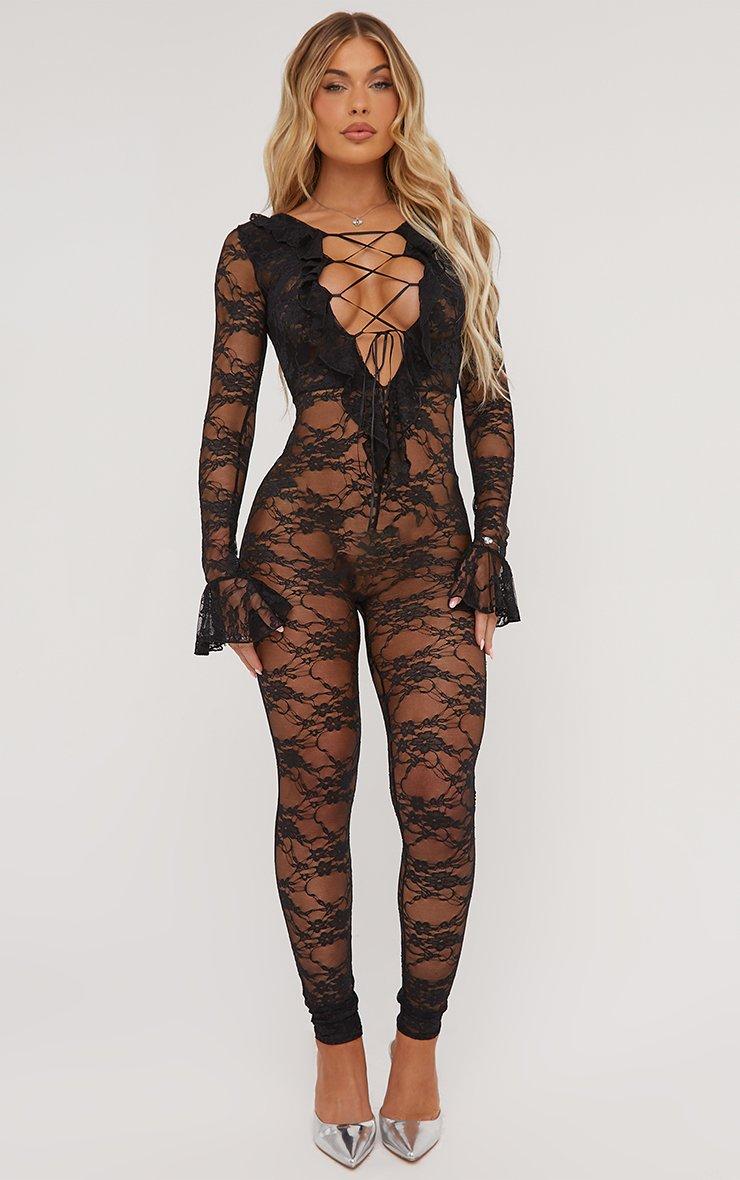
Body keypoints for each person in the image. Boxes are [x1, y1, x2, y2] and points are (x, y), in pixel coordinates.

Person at [194, 11, 521, 1166]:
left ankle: (415, 1045)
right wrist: (220, 570)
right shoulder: (256, 248)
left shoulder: (451, 235)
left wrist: (490, 549)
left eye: (377, 83)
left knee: (438, 789)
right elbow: (229, 410)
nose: (357, 104)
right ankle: (335, 1046)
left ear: (400, 102)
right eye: (333, 84)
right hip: (298, 546)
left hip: (431, 549)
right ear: (307, 103)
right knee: (315, 792)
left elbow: (487, 399)